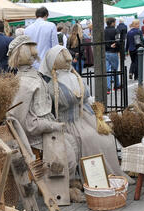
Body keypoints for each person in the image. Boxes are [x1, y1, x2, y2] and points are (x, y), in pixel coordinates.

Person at [39, 45, 129, 182]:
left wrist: (97, 115)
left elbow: (86, 100)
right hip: (66, 123)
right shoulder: (50, 85)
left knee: (106, 137)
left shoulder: (75, 77)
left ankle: (104, 176)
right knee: (90, 138)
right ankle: (94, 178)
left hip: (84, 118)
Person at [6, 35, 63, 150]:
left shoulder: (30, 77)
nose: (34, 55)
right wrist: (51, 125)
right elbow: (21, 121)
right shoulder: (25, 81)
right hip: (38, 142)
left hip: (44, 138)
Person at [104, 17, 121, 93]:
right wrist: (115, 45)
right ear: (112, 23)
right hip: (113, 52)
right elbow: (118, 40)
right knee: (115, 70)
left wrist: (108, 46)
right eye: (115, 22)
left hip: (106, 52)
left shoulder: (104, 31)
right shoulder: (116, 30)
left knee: (107, 70)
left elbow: (102, 41)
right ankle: (116, 85)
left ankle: (107, 87)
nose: (115, 23)